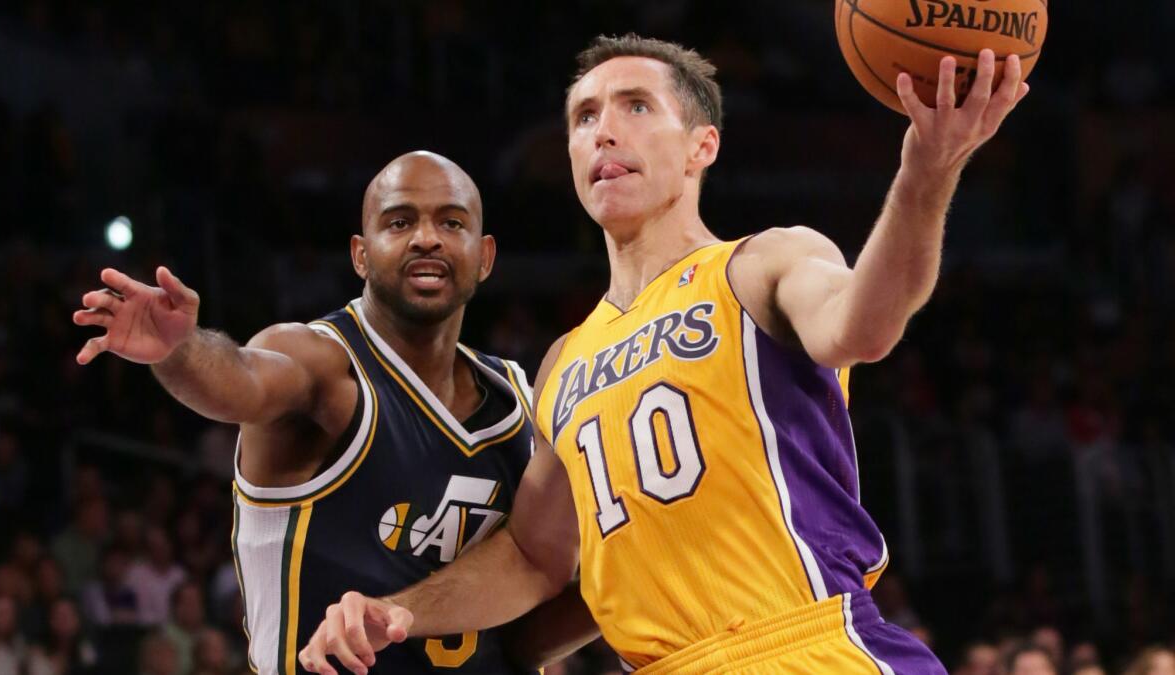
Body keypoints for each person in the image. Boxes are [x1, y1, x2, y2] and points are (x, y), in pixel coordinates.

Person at [299, 34, 1030, 674]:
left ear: (700, 146)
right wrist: (396, 612)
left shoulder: (762, 264)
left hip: (805, 646)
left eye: (635, 107)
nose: (603, 133)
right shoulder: (564, 361)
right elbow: (533, 556)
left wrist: (927, 172)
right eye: (584, 117)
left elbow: (864, 324)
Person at [73, 151, 596, 673]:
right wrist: (180, 351)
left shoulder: (520, 400)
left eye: (451, 222)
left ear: (484, 257)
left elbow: (524, 636)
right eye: (400, 221)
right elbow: (240, 381)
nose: (427, 238)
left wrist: (640, 578)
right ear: (360, 255)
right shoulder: (321, 365)